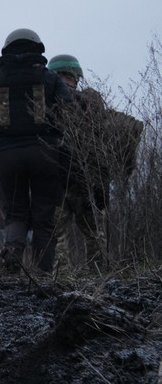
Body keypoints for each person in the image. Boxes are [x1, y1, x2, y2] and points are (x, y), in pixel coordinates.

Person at [0, 29, 73, 273]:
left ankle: (11, 266)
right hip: (46, 155)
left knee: (16, 215)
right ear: (37, 49)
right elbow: (74, 118)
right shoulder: (51, 78)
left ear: (7, 49)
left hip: (8, 157)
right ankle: (42, 275)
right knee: (44, 218)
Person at [49, 54, 143, 271]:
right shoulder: (91, 105)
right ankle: (100, 281)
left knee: (57, 238)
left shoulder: (48, 105)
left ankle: (61, 284)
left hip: (57, 181)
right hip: (88, 182)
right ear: (76, 77)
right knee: (95, 237)